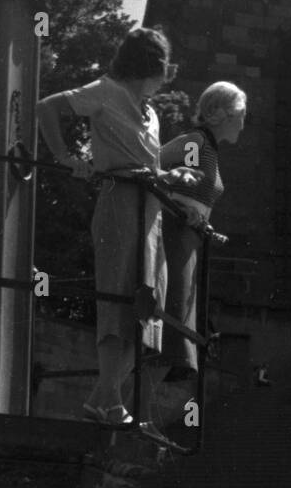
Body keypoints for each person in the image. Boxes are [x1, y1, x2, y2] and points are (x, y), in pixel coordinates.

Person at [37, 27, 195, 427]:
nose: (168, 77)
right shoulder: (106, 91)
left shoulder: (151, 111)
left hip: (151, 210)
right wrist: (65, 157)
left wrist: (172, 175)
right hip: (120, 205)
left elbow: (150, 164)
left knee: (146, 306)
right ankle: (108, 403)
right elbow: (47, 108)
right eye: (167, 68)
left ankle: (103, 401)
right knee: (118, 303)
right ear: (152, 66)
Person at [158, 82, 247, 382]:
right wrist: (178, 204)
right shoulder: (197, 141)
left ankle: (144, 406)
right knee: (172, 316)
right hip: (175, 235)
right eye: (241, 115)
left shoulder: (209, 148)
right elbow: (151, 162)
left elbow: (194, 192)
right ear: (223, 113)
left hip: (190, 239)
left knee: (179, 315)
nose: (243, 123)